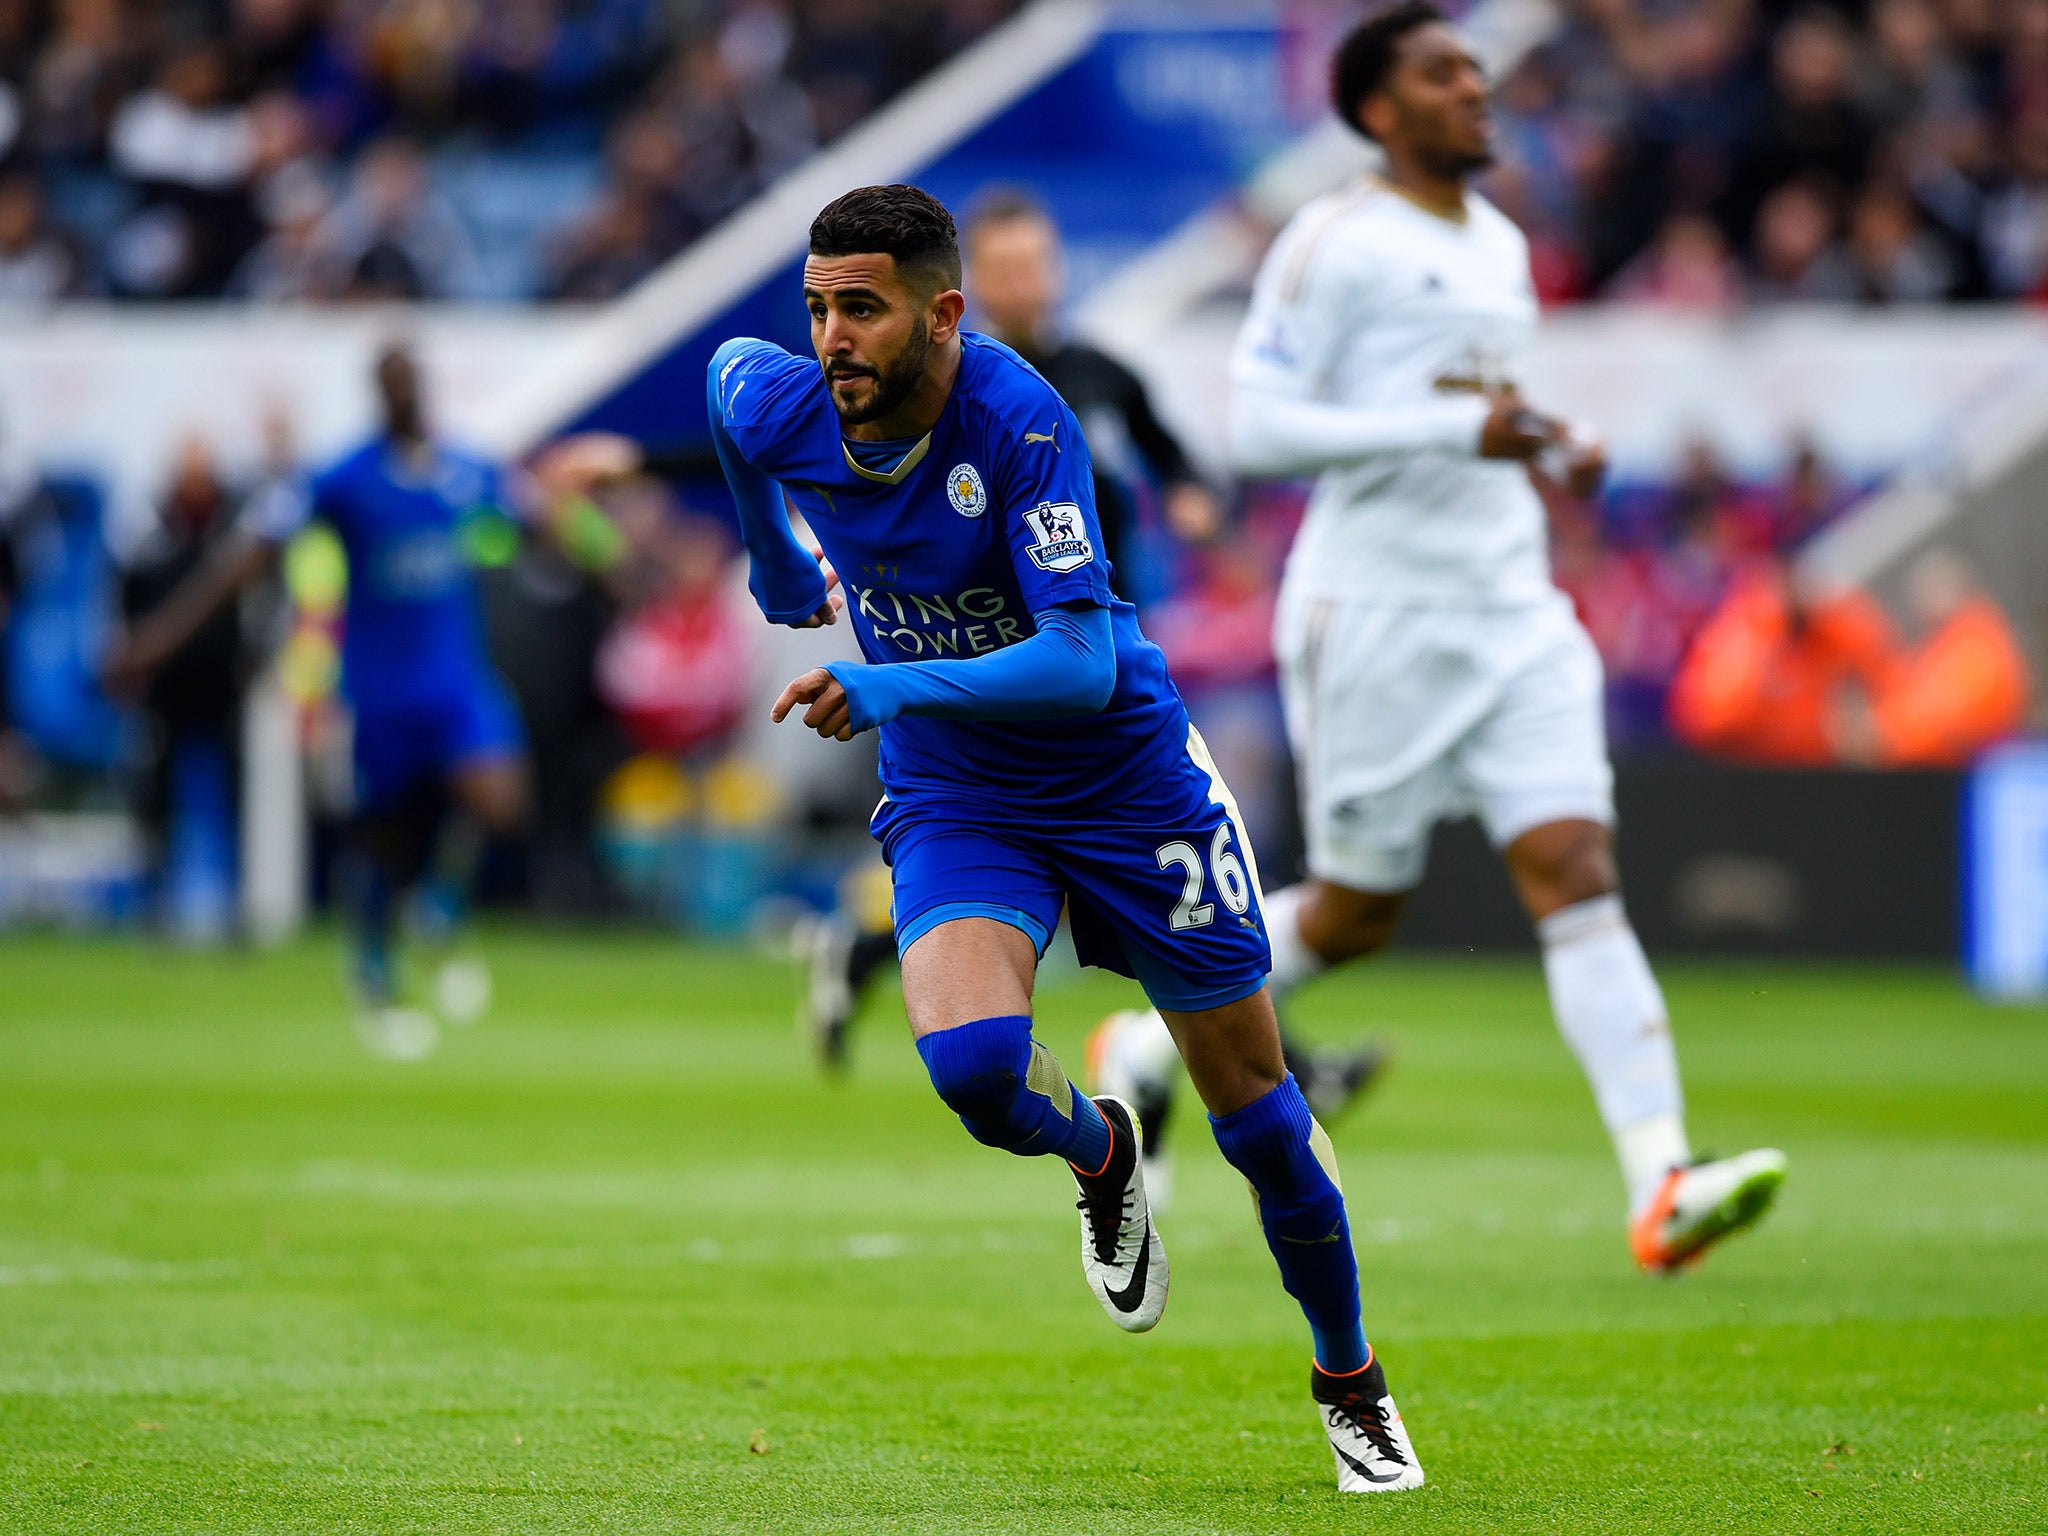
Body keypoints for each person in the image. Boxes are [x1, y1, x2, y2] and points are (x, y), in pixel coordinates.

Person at [710, 184, 1424, 1494]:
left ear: (944, 314)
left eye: (860, 309)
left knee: (1261, 1120)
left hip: (1124, 781)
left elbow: (1084, 663)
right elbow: (723, 383)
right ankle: (1104, 1150)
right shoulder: (787, 397)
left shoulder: (1020, 418)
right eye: (816, 309)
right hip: (961, 790)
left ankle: (1349, 1379)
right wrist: (768, 557)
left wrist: (882, 684)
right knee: (977, 1072)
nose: (830, 339)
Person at [1092, 4, 1787, 1275]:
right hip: (1376, 612)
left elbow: (1470, 406)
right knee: (1358, 914)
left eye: (1474, 67)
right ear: (1374, 109)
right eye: (1439, 72)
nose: (1475, 87)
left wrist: (1543, 444)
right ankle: (1148, 1042)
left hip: (1511, 601)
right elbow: (1259, 428)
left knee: (1574, 867)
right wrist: (1444, 435)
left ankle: (1660, 1181)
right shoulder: (1334, 239)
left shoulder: (1502, 247)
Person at [108, 347, 552, 1058]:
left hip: (456, 684)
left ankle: (438, 909)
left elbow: (539, 518)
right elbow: (246, 555)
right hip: (378, 691)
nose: (405, 392)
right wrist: (160, 637)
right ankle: (374, 973)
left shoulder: (468, 469)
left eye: (412, 379)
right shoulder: (342, 478)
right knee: (379, 838)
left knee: (501, 799)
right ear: (379, 392)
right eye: (393, 382)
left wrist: (614, 557)